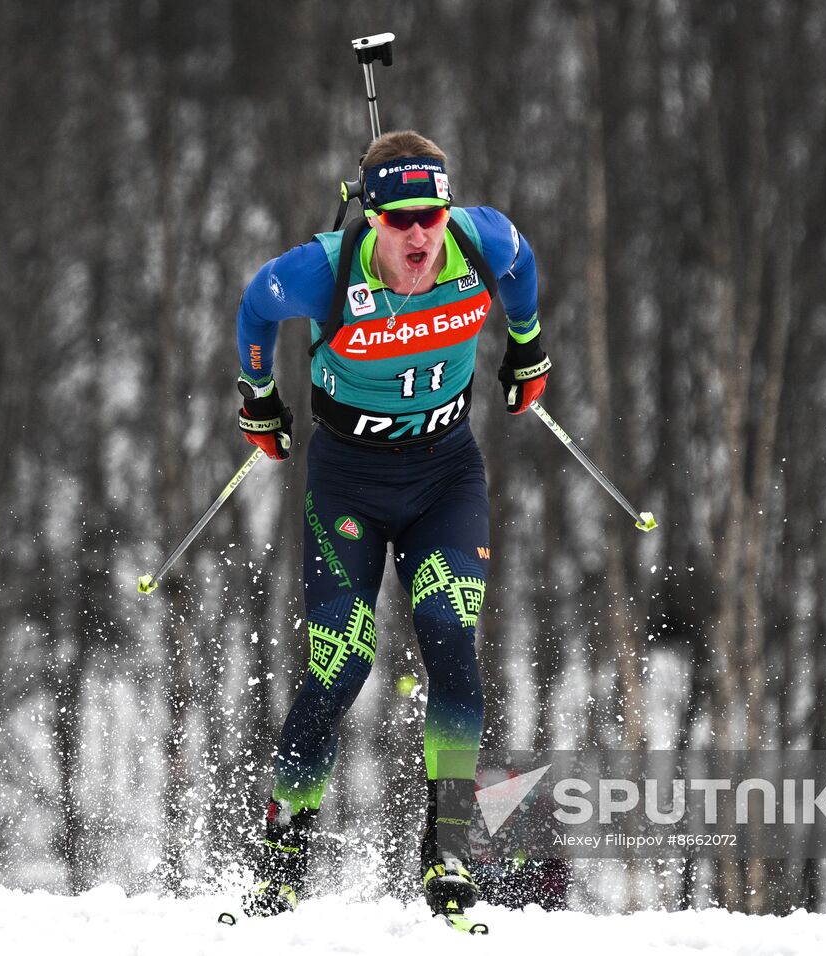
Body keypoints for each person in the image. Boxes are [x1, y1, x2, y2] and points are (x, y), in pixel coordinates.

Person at [233, 130, 550, 918]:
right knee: (341, 665)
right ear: (370, 217)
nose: (419, 234)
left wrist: (526, 345)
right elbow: (256, 304)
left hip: (446, 477)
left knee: (449, 629)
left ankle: (446, 850)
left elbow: (523, 268)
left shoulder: (482, 243)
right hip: (348, 485)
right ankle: (284, 845)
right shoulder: (325, 271)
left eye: (431, 216)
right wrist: (257, 396)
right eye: (400, 217)